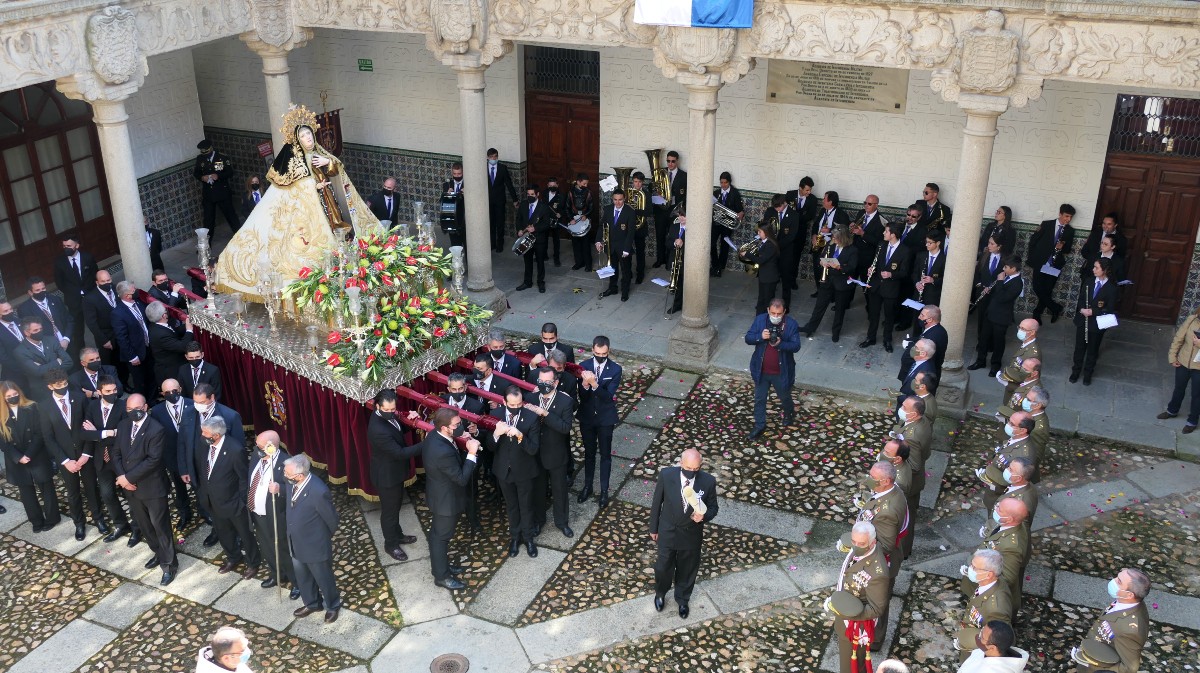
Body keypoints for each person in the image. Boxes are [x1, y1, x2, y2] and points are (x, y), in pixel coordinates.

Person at [213, 104, 381, 299]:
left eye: (310, 134)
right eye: (304, 136)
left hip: (328, 202)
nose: (309, 139)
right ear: (297, 140)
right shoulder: (293, 160)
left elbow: (338, 168)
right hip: (309, 208)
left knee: (339, 230)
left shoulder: (318, 152)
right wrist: (312, 186)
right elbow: (290, 187)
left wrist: (329, 163)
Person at [114, 393, 178, 585]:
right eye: (129, 410)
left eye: (137, 409)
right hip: (130, 488)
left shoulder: (156, 429)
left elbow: (153, 460)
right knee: (145, 525)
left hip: (152, 487)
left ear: (145, 407)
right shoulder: (123, 425)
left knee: (160, 526)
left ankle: (169, 565)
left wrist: (128, 477)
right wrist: (123, 479)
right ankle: (158, 553)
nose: (133, 413)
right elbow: (116, 452)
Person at [649, 448, 719, 619]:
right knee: (663, 566)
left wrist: (704, 516)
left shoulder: (708, 481)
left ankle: (682, 599)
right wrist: (653, 528)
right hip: (668, 530)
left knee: (688, 568)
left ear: (700, 466)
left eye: (695, 469)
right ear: (681, 463)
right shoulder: (667, 475)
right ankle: (660, 593)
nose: (691, 472)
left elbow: (713, 507)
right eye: (688, 468)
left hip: (691, 533)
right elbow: (657, 503)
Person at [272, 454, 341, 622]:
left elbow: (332, 520)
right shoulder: (291, 482)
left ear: (300, 476)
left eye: (288, 474)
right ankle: (312, 603)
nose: (285, 476)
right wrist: (279, 489)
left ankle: (332, 605)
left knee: (323, 577)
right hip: (295, 541)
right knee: (303, 576)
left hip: (314, 545)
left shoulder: (318, 491)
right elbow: (289, 495)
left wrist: (322, 539)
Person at [420, 407, 481, 591]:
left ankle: (443, 567)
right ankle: (442, 576)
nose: (460, 426)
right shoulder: (442, 451)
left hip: (440, 494)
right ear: (445, 428)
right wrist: (471, 453)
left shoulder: (434, 435)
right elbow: (461, 479)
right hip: (446, 501)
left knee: (439, 535)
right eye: (457, 424)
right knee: (441, 538)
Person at [179, 382, 245, 547]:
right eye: (195, 402)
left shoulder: (230, 416)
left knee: (228, 506)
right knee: (208, 504)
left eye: (202, 403)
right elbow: (182, 442)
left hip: (223, 473)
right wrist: (185, 468)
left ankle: (237, 534)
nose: (198, 406)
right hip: (199, 470)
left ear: (212, 398)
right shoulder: (188, 413)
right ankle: (218, 531)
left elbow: (239, 449)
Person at [196, 415, 260, 579]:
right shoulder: (205, 445)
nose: (202, 435)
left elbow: (243, 478)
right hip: (213, 501)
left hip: (234, 503)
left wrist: (241, 501)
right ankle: (233, 557)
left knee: (245, 535)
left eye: (205, 433)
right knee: (224, 533)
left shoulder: (234, 450)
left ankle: (253, 563)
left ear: (216, 435)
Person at [41, 368, 101, 540]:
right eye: (59, 385)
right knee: (73, 491)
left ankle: (98, 518)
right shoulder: (44, 407)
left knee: (91, 487)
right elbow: (48, 437)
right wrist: (65, 460)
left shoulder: (80, 398)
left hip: (84, 453)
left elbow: (89, 426)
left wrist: (86, 454)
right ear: (50, 386)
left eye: (65, 383)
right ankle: (79, 523)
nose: (63, 387)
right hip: (66, 457)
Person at [856, 460, 908, 648]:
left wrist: (859, 547)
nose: (870, 481)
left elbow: (885, 545)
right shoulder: (889, 493)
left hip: (882, 561)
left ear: (886, 481)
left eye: (874, 478)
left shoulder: (889, 510)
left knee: (878, 601)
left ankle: (875, 639)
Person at [826, 521, 891, 673]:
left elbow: (876, 609)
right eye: (853, 541)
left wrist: (842, 611)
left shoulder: (878, 573)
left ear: (873, 542)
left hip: (856, 625)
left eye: (860, 543)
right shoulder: (860, 549)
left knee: (851, 668)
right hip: (847, 615)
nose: (855, 546)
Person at [367, 389, 423, 562]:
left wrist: (412, 420)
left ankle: (397, 535)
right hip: (387, 476)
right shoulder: (378, 429)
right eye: (388, 410)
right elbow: (399, 453)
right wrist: (426, 444)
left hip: (393, 472)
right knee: (390, 512)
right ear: (378, 406)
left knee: (395, 507)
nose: (392, 413)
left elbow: (398, 428)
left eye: (393, 409)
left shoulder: (387, 416)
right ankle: (390, 544)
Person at [1, 381, 59, 532]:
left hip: (36, 453)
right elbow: (3, 442)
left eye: (15, 394)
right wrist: (18, 457)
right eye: (9, 396)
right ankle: (36, 521)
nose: (13, 397)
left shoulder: (32, 407)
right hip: (16, 459)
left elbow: (39, 433)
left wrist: (29, 454)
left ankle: (52, 518)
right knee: (26, 491)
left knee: (46, 487)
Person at [525, 366, 576, 538]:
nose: (543, 384)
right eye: (540, 381)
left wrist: (545, 413)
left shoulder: (565, 401)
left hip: (556, 454)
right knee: (538, 490)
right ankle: (539, 521)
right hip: (536, 454)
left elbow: (565, 427)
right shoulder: (530, 397)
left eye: (548, 382)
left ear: (556, 382)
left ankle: (562, 522)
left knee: (559, 490)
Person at [491, 385, 542, 557]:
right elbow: (490, 447)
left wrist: (520, 435)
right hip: (504, 470)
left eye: (519, 404)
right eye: (512, 405)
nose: (515, 408)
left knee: (526, 506)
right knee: (511, 506)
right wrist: (496, 434)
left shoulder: (531, 418)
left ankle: (528, 538)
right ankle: (515, 537)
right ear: (504, 402)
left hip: (524, 471)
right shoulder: (496, 415)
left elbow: (534, 449)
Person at [248, 431, 300, 599]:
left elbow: (296, 490)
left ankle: (296, 582)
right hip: (257, 513)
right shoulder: (257, 457)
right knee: (267, 547)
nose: (257, 449)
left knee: (283, 550)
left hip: (277, 516)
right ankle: (276, 573)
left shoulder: (286, 464)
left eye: (261, 447)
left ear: (271, 447)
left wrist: (280, 490)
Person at [81, 376, 130, 542]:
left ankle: (138, 527)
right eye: (108, 391)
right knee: (107, 495)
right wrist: (109, 432)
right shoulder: (92, 406)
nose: (112, 393)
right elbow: (85, 433)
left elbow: (123, 435)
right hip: (101, 460)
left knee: (131, 494)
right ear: (100, 392)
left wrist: (98, 432)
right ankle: (121, 524)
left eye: (114, 390)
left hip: (121, 458)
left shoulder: (123, 406)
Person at [1072, 568, 1150, 673]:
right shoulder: (1126, 602)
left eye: (1119, 581)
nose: (1113, 581)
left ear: (1129, 595)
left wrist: (1100, 669)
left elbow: (1130, 668)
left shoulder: (1129, 630)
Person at [746, 298, 800, 440]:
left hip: (781, 372)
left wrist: (781, 344)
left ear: (784, 312)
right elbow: (748, 338)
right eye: (773, 313)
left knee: (785, 397)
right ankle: (759, 425)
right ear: (768, 310)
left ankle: (789, 413)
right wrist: (760, 337)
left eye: (779, 314)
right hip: (761, 370)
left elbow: (796, 346)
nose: (775, 316)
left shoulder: (791, 324)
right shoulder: (760, 320)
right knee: (759, 399)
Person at [577, 336, 621, 508]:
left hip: (605, 418)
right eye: (597, 353)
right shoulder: (585, 366)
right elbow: (582, 396)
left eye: (603, 353)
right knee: (588, 453)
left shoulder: (615, 369)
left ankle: (604, 490)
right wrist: (585, 385)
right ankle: (587, 486)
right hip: (587, 417)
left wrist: (594, 384)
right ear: (592, 350)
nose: (600, 356)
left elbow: (608, 397)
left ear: (608, 351)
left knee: (605, 455)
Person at [800, 225, 858, 342]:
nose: (834, 240)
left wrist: (839, 267)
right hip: (827, 280)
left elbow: (852, 267)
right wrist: (822, 263)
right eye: (833, 237)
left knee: (840, 309)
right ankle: (810, 327)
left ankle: (836, 332)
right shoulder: (830, 245)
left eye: (836, 238)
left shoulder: (852, 250)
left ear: (843, 238)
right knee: (819, 306)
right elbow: (820, 258)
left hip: (841, 283)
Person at [149, 378, 194, 527]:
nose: (171, 394)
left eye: (174, 391)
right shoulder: (156, 411)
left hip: (193, 454)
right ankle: (185, 512)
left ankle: (205, 510)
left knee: (199, 485)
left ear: (180, 389)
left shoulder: (193, 404)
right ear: (162, 393)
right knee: (179, 487)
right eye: (167, 392)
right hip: (172, 456)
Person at [955, 549, 1013, 663]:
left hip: (976, 654)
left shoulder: (996, 608)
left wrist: (965, 640)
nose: (970, 569)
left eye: (975, 568)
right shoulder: (990, 582)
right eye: (971, 565)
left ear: (989, 574)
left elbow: (996, 641)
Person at [970, 256, 1023, 377]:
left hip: (1002, 317)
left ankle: (995, 365)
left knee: (998, 342)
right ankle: (980, 361)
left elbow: (1003, 298)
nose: (1003, 269)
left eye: (1006, 267)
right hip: (990, 313)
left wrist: (999, 282)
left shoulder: (1018, 283)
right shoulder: (1006, 277)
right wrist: (990, 289)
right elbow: (997, 292)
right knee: (983, 338)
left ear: (1013, 269)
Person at [1026, 204, 1076, 323]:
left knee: (1047, 290)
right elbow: (1033, 241)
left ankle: (1037, 313)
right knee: (1037, 287)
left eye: (1070, 217)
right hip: (1040, 262)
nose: (1068, 219)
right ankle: (1055, 308)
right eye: (1066, 216)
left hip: (1054, 264)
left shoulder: (1070, 230)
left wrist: (1062, 247)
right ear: (1060, 214)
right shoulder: (1046, 224)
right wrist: (1032, 259)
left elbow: (1068, 249)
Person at [1072, 258, 1118, 385]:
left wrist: (1093, 311)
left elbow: (1110, 308)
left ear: (1105, 270)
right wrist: (1082, 309)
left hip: (1097, 324)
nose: (1093, 270)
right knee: (1079, 348)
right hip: (1083, 321)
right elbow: (1081, 298)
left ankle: (1088, 374)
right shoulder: (1089, 281)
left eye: (1096, 268)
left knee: (1092, 350)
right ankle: (1075, 371)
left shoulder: (1112, 288)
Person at [54, 233, 97, 357]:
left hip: (90, 298)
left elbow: (95, 274)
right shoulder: (59, 262)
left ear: (77, 245)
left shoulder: (87, 257)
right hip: (74, 302)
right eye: (64, 246)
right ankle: (82, 356)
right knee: (77, 332)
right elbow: (59, 282)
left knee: (97, 325)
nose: (66, 248)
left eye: (69, 245)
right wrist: (73, 293)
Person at [1160, 304, 1200, 434]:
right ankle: (1172, 410)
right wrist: (1172, 356)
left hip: (1199, 368)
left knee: (1197, 395)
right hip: (1183, 362)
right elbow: (1178, 338)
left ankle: (1192, 421)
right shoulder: (1192, 319)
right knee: (1179, 388)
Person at [82, 270, 125, 381]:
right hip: (106, 335)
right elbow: (92, 323)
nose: (107, 283)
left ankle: (124, 381)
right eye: (103, 281)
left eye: (108, 280)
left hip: (121, 330)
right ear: (97, 282)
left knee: (122, 358)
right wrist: (104, 340)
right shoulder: (90, 299)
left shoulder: (117, 289)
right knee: (109, 362)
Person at [111, 280, 152, 398]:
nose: (136, 292)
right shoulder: (118, 313)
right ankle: (143, 403)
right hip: (135, 354)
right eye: (133, 291)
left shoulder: (139, 303)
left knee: (151, 376)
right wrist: (132, 356)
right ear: (126, 295)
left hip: (148, 347)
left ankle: (153, 399)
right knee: (140, 381)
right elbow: (122, 338)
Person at [194, 138, 241, 235]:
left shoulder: (222, 158)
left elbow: (230, 172)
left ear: (211, 149)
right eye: (204, 154)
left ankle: (240, 238)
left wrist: (218, 176)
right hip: (208, 194)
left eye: (207, 153)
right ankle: (206, 246)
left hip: (222, 193)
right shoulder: (200, 158)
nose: (206, 155)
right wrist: (202, 177)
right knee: (208, 221)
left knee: (231, 217)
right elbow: (196, 173)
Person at [809, 191, 852, 297]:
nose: (822, 201)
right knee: (817, 267)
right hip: (819, 244)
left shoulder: (842, 215)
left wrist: (830, 229)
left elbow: (844, 230)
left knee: (830, 270)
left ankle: (831, 294)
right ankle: (820, 290)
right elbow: (815, 225)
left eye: (824, 199)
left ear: (831, 202)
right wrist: (814, 236)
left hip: (831, 246)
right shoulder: (823, 210)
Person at [598, 188, 637, 302]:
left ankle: (625, 292)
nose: (617, 202)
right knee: (612, 268)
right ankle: (612, 288)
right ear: (612, 199)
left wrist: (627, 249)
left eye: (620, 200)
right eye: (615, 200)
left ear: (624, 199)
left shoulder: (630, 212)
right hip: (610, 246)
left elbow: (631, 232)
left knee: (626, 271)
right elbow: (602, 226)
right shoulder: (608, 209)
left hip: (623, 247)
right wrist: (598, 241)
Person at [18, 276, 73, 356]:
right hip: (49, 350)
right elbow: (31, 331)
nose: (42, 291)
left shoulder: (55, 299)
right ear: (30, 292)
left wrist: (66, 339)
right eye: (37, 290)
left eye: (43, 289)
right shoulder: (24, 309)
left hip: (68, 343)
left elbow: (69, 320)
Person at [14, 317, 71, 393]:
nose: (39, 331)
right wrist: (58, 362)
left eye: (40, 329)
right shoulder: (20, 351)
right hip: (42, 390)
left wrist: (42, 368)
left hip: (62, 385)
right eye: (35, 330)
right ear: (27, 333)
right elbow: (37, 372)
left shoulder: (52, 340)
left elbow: (68, 362)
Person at [147, 302, 194, 391]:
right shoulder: (160, 334)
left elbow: (173, 332)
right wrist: (189, 330)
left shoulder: (157, 326)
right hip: (171, 372)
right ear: (164, 315)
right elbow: (182, 347)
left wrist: (186, 325)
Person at [516, 183, 553, 293]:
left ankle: (541, 282)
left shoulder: (544, 207)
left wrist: (535, 228)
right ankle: (527, 282)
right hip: (526, 239)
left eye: (532, 194)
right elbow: (519, 219)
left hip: (539, 239)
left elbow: (547, 224)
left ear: (537, 194)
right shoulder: (523, 204)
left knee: (540, 261)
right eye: (528, 194)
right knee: (527, 260)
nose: (530, 196)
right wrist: (519, 230)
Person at [781, 178, 816, 294]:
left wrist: (796, 217)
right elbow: (784, 210)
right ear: (800, 188)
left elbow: (810, 215)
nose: (809, 192)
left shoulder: (812, 199)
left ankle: (792, 280)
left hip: (800, 232)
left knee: (796, 257)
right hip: (787, 231)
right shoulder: (790, 195)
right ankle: (780, 276)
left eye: (810, 190)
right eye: (807, 190)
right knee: (784, 254)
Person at [652, 151, 686, 268]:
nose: (670, 164)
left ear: (677, 161)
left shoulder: (684, 176)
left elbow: (686, 195)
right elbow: (651, 187)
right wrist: (657, 191)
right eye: (668, 161)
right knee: (660, 235)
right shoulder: (660, 173)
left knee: (672, 236)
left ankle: (669, 260)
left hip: (675, 211)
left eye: (673, 161)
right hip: (661, 210)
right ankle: (660, 259)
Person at [910, 230, 947, 335]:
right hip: (919, 294)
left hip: (933, 296)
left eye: (930, 242)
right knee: (917, 321)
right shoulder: (921, 255)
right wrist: (917, 283)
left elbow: (947, 280)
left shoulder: (944, 259)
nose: (927, 244)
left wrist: (933, 280)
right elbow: (914, 273)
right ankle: (915, 341)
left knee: (930, 323)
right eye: (926, 242)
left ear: (938, 243)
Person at [957, 621, 1029, 673]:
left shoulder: (998, 670)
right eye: (981, 631)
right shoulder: (985, 651)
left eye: (981, 637)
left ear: (992, 647)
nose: (978, 636)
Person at [742, 220, 780, 316]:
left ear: (766, 232)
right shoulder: (765, 242)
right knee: (762, 299)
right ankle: (759, 320)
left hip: (769, 277)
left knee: (767, 301)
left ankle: (766, 320)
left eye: (760, 232)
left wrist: (747, 254)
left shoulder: (770, 245)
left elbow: (761, 260)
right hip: (764, 276)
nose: (758, 234)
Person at [711, 171, 744, 276]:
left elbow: (740, 210)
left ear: (729, 182)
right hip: (716, 223)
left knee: (724, 246)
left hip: (727, 224)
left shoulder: (735, 194)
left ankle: (720, 268)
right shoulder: (716, 193)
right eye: (721, 182)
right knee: (711, 244)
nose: (723, 185)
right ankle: (715, 265)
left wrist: (741, 213)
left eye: (725, 183)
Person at [999, 319, 1041, 402]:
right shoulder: (1026, 344)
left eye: (1023, 329)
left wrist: (1008, 384)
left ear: (1032, 332)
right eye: (1019, 327)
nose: (1020, 331)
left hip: (1018, 397)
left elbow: (1028, 383)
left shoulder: (1033, 354)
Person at [486, 148, 519, 252]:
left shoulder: (502, 168)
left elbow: (509, 184)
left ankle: (500, 244)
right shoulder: (483, 168)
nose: (493, 159)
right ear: (487, 157)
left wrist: (515, 199)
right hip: (488, 201)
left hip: (500, 200)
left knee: (500, 223)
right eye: (491, 157)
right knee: (490, 223)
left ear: (497, 157)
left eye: (495, 156)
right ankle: (492, 243)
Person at [901, 305, 948, 375]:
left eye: (922, 315)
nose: (919, 317)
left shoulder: (932, 337)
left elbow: (924, 354)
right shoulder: (937, 329)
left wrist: (909, 347)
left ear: (930, 320)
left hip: (919, 375)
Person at [897, 338, 937, 411]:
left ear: (923, 354)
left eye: (916, 348)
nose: (912, 349)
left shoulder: (925, 372)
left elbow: (918, 397)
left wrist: (901, 397)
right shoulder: (919, 361)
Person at [0, 303, 29, 392]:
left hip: (33, 369)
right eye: (6, 311)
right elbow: (3, 357)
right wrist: (23, 368)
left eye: (10, 309)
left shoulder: (20, 321)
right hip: (15, 375)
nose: (10, 312)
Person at [568, 174, 595, 271]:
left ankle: (588, 264)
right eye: (584, 183)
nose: (586, 185)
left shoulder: (588, 193)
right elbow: (567, 208)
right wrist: (571, 218)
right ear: (578, 182)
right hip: (574, 220)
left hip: (584, 219)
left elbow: (591, 207)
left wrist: (586, 215)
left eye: (587, 183)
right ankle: (579, 262)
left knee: (586, 244)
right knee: (576, 244)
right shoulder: (571, 192)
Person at [665, 206, 687, 315]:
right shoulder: (674, 226)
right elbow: (667, 243)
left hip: (686, 261)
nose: (681, 218)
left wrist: (683, 243)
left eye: (684, 216)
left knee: (684, 283)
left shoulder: (693, 229)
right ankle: (677, 304)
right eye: (680, 215)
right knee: (677, 283)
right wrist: (674, 243)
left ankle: (682, 304)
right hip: (674, 259)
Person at [440, 162, 467, 251]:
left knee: (467, 246)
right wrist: (447, 194)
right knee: (455, 246)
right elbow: (442, 201)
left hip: (464, 219)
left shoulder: (468, 184)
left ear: (463, 173)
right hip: (453, 220)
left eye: (459, 173)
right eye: (455, 174)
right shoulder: (447, 184)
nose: (457, 176)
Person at [543, 177, 567, 267]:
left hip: (555, 221)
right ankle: (544, 256)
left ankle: (556, 258)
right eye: (550, 185)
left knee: (556, 241)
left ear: (557, 185)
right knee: (544, 239)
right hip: (545, 220)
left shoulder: (562, 196)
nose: (552, 187)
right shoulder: (544, 193)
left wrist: (561, 214)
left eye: (554, 185)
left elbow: (565, 209)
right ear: (547, 185)